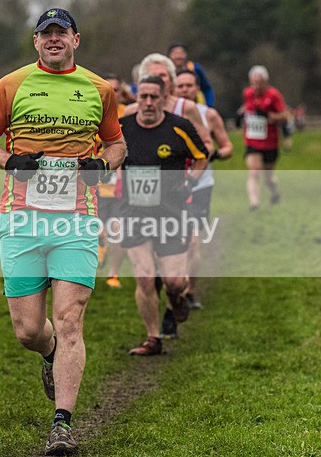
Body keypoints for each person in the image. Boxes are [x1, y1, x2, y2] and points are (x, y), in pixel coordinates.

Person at [0, 8, 126, 456]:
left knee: (70, 319)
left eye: (62, 32)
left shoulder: (99, 89)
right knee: (27, 331)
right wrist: (9, 161)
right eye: (47, 34)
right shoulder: (11, 84)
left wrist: (103, 165)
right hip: (22, 219)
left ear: (76, 39)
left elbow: (117, 144)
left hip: (76, 219)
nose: (54, 39)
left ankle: (62, 423)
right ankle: (50, 351)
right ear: (36, 42)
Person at [118, 75, 208, 356]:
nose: (147, 103)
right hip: (133, 212)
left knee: (173, 281)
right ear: (137, 98)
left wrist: (190, 182)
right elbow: (104, 152)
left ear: (163, 97)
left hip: (171, 213)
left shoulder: (179, 127)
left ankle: (177, 297)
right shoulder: (122, 127)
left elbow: (202, 156)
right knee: (145, 278)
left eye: (153, 97)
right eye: (142, 97)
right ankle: (152, 338)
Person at [173, 69, 233, 331]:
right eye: (180, 86)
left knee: (193, 240)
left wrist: (214, 155)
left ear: (197, 88)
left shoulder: (209, 115)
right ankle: (175, 286)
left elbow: (227, 146)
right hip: (171, 188)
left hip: (200, 185)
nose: (185, 90)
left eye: (189, 85)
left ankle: (189, 290)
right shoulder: (167, 114)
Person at [99, 74, 134, 288]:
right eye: (108, 90)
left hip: (122, 184)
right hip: (96, 183)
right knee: (97, 229)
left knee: (117, 230)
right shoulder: (90, 113)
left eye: (116, 90)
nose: (112, 94)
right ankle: (100, 248)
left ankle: (113, 274)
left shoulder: (128, 114)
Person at [242, 65, 289, 211]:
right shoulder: (248, 93)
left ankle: (275, 192)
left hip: (270, 143)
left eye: (259, 83)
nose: (256, 86)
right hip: (252, 141)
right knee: (254, 171)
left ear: (266, 82)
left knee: (268, 177)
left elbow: (285, 115)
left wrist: (269, 116)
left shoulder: (273, 95)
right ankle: (254, 203)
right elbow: (246, 109)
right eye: (254, 83)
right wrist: (241, 115)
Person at [167, 42, 215, 107]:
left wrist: (209, 105)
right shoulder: (166, 71)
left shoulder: (195, 68)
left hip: (197, 104)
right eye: (175, 53)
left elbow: (207, 88)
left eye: (181, 53)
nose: (178, 56)